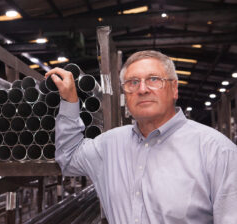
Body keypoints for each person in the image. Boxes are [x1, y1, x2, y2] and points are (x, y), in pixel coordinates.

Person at [45, 50, 237, 224]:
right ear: (125, 94)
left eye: (154, 79)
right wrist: (70, 101)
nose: (142, 89)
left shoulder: (217, 152)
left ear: (174, 88)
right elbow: (69, 158)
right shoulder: (109, 145)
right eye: (132, 82)